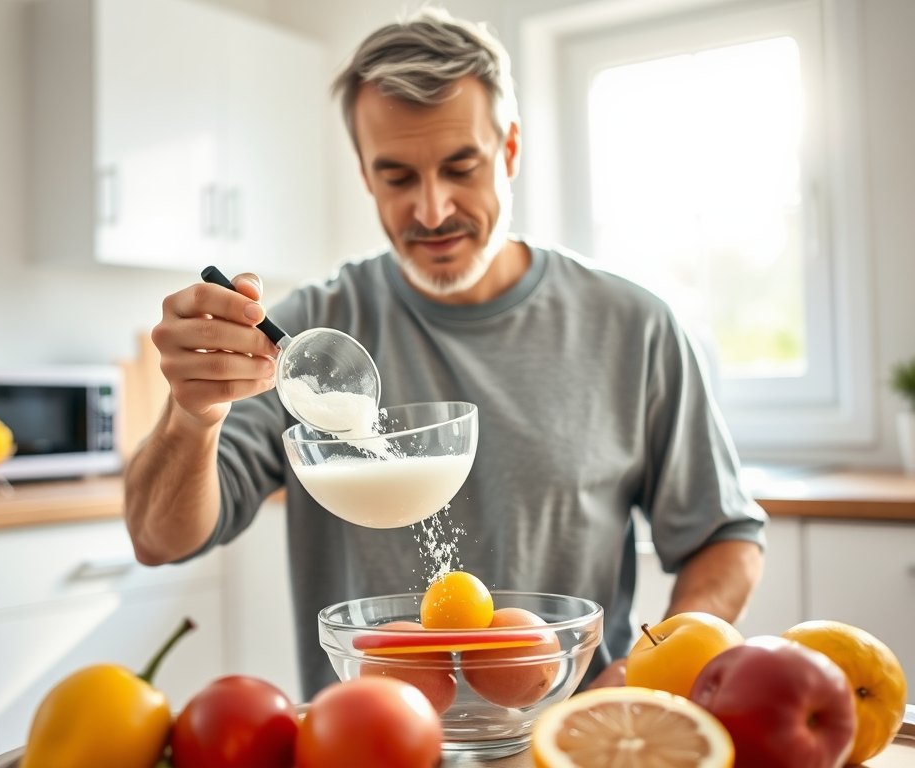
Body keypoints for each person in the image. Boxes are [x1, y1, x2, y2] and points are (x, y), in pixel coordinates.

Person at [124, 7, 766, 700]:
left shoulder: (632, 326)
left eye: (461, 167)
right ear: (365, 175)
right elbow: (161, 539)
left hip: (569, 737)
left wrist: (655, 672)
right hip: (368, 740)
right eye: (397, 177)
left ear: (510, 150)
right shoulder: (309, 332)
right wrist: (194, 414)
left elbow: (722, 536)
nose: (432, 210)